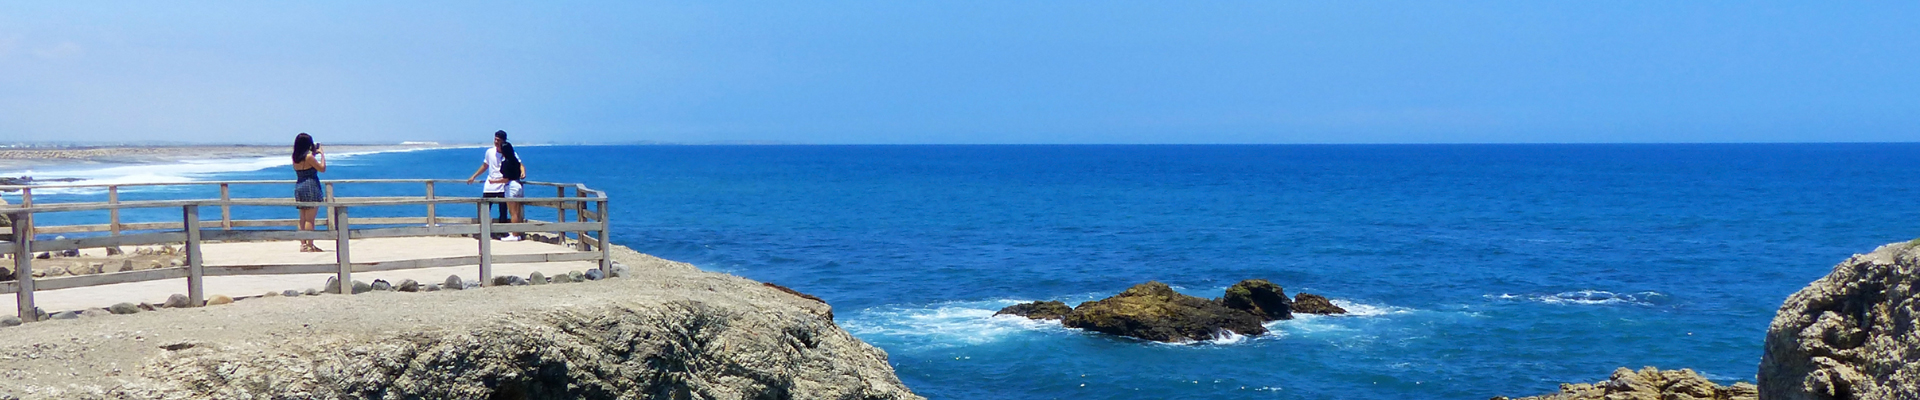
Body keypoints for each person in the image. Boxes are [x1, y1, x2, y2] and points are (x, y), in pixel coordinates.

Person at [466, 130, 518, 240]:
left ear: (504, 141)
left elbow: (518, 163)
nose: (495, 142)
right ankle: (483, 230)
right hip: (490, 184)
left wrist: (523, 171)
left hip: (503, 184)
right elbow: (485, 165)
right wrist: (474, 176)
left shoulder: (509, 152)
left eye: (498, 140)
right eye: (495, 139)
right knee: (485, 208)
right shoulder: (490, 152)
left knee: (503, 210)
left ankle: (502, 232)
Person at [292, 133, 327, 252]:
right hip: (311, 185)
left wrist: (313, 154)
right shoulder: (309, 157)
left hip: (300, 185)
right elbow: (322, 168)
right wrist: (322, 154)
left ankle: (303, 244)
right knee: (310, 219)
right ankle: (310, 244)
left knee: (302, 217)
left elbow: (306, 162)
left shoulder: (295, 157)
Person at [494, 142, 528, 241]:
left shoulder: (506, 162)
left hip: (511, 186)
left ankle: (514, 234)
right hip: (518, 185)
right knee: (517, 212)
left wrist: (494, 181)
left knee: (512, 212)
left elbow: (505, 179)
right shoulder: (516, 161)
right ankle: (517, 233)